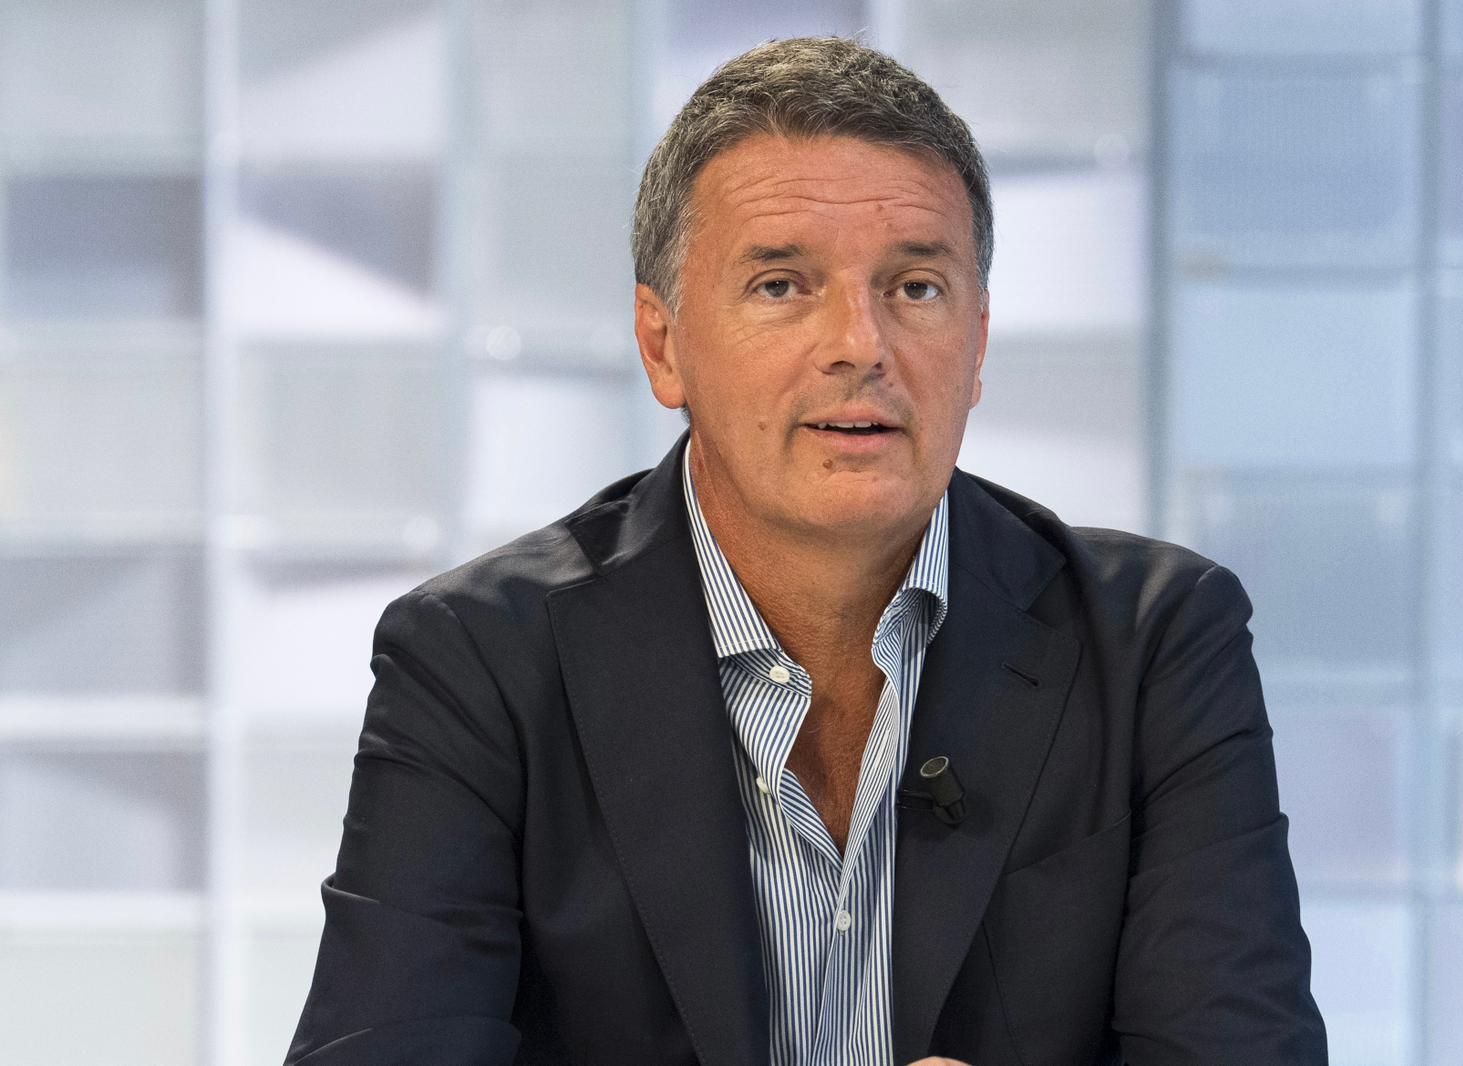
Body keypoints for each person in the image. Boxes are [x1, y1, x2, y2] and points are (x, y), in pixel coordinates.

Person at [286, 36, 1327, 1066]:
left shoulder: (1154, 645)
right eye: (782, 285)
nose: (860, 345)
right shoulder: (479, 660)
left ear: (976, 344)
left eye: (915, 287)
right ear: (663, 344)